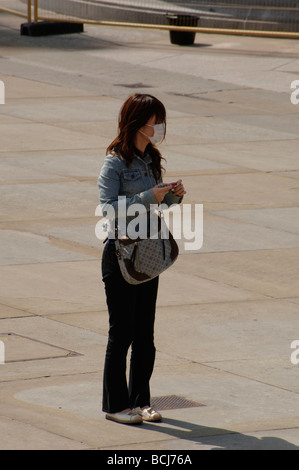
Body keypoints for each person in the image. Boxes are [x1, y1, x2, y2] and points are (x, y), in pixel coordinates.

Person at [97, 93, 186, 425]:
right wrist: (149, 196)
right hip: (120, 254)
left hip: (148, 252)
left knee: (145, 332)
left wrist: (171, 198)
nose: (158, 127)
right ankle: (115, 406)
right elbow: (107, 208)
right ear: (138, 123)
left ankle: (141, 401)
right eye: (154, 120)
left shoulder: (152, 159)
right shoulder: (115, 162)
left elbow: (155, 208)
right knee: (121, 332)